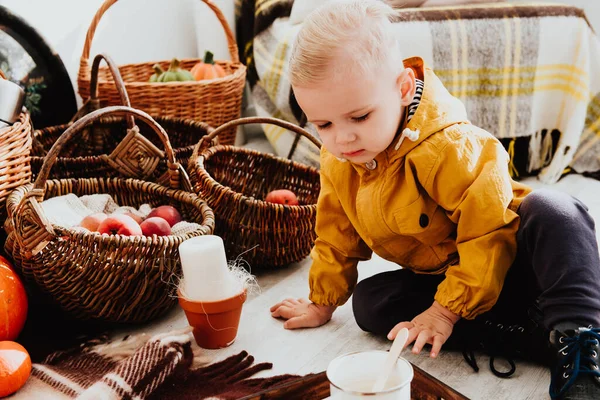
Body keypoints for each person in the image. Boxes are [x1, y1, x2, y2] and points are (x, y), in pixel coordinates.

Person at [268, 0, 600, 398]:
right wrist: (322, 301)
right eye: (323, 124)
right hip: (455, 280)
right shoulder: (339, 159)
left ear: (404, 88)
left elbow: (487, 233)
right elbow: (336, 235)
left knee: (556, 210)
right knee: (371, 304)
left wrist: (443, 313)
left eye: (360, 117)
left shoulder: (448, 147)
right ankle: (530, 336)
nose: (342, 138)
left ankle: (579, 335)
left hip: (517, 257)